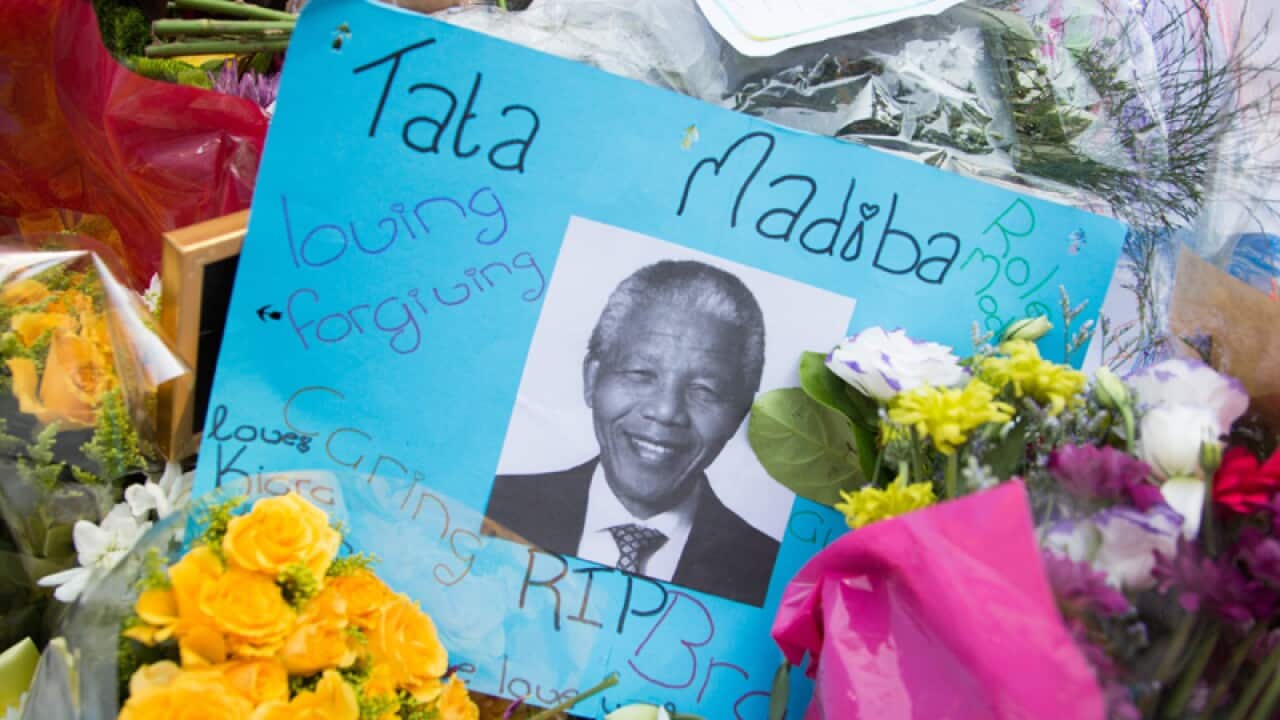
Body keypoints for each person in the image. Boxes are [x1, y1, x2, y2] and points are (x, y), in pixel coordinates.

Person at [484, 259, 779, 607]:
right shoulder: (491, 508)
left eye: (705, 390)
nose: (667, 411)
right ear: (592, 379)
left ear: (740, 414)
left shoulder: (768, 575)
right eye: (641, 373)